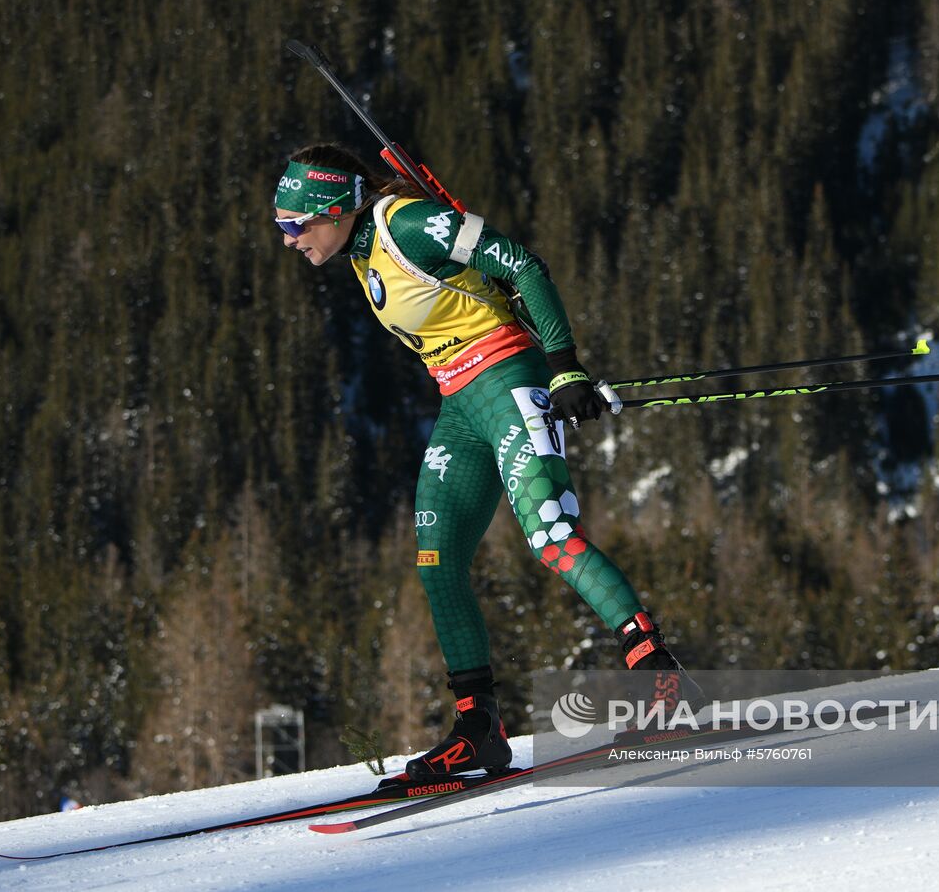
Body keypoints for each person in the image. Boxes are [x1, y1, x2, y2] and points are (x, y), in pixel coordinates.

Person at [273, 143, 692, 780]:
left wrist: (564, 365)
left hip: (509, 379)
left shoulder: (404, 223)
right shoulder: (359, 250)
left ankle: (661, 679)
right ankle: (478, 730)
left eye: (295, 225)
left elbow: (521, 263)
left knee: (550, 533)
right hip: (458, 402)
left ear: (334, 209)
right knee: (437, 560)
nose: (288, 239)